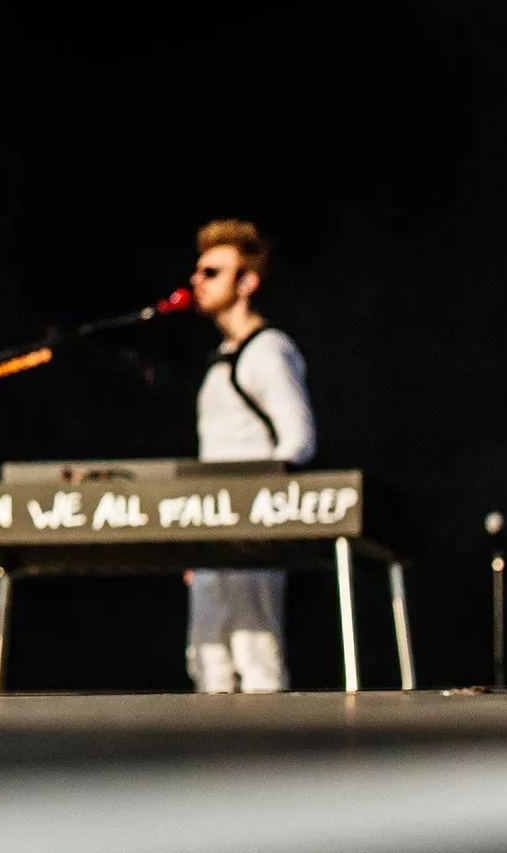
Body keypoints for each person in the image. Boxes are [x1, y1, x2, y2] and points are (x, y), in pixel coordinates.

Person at [184, 218, 314, 694]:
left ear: (247, 282)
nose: (197, 281)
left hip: (251, 527)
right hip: (211, 527)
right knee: (206, 656)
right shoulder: (220, 358)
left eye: (212, 272)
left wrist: (265, 512)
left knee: (256, 654)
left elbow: (297, 438)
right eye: (198, 270)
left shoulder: (268, 351)